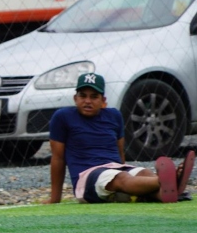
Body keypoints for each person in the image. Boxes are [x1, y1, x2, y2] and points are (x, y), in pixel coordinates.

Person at [45, 72, 194, 204]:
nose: (88, 101)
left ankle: (165, 193)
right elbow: (58, 158)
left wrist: (129, 181)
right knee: (122, 178)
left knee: (144, 174)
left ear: (103, 100)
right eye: (83, 96)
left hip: (116, 170)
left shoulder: (114, 116)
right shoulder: (63, 117)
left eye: (94, 97)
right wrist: (55, 197)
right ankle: (169, 180)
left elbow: (120, 152)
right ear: (75, 98)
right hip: (87, 176)